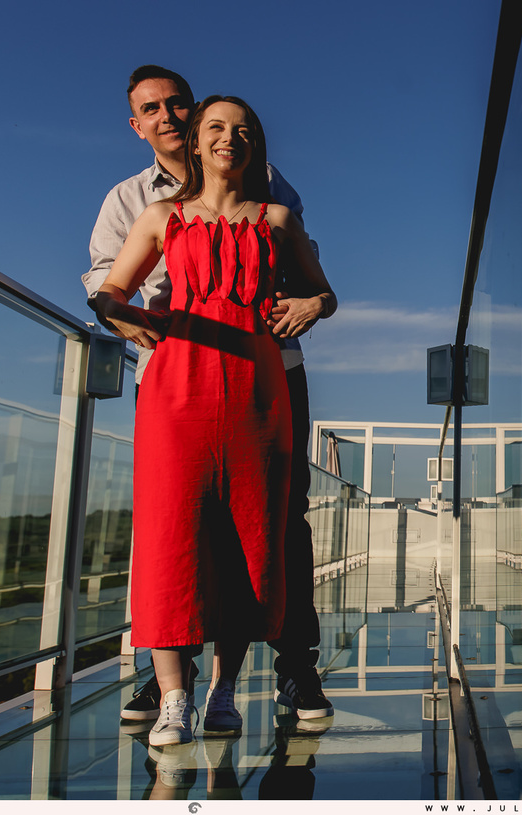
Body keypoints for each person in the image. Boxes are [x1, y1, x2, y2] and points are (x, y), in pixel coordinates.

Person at [84, 66, 334, 724]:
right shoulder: (133, 201)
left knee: (278, 519)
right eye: (152, 109)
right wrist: (121, 315)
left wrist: (311, 301)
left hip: (267, 368)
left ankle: (294, 666)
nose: (168, 115)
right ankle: (171, 679)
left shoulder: (272, 191)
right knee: (174, 520)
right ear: (139, 125)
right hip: (174, 376)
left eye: (177, 104)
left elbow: (307, 265)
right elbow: (104, 281)